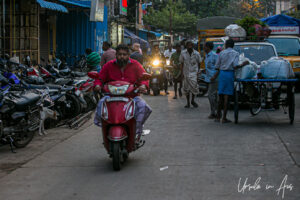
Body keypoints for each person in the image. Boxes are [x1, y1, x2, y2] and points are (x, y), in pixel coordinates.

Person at [93, 44, 152, 141]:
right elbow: (100, 77)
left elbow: (143, 77)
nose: (122, 57)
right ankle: (106, 128)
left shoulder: (135, 64)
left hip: (131, 96)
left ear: (128, 55)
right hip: (111, 96)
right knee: (100, 104)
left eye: (124, 54)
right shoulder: (109, 65)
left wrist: (143, 85)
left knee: (144, 107)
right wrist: (97, 85)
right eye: (120, 54)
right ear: (116, 55)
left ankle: (137, 130)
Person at [210, 39, 249, 123]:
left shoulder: (221, 53)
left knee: (220, 95)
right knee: (227, 97)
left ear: (226, 45)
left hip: (222, 74)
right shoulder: (235, 53)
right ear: (233, 45)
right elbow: (235, 66)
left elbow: (217, 66)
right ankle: (224, 118)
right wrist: (243, 64)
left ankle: (218, 117)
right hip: (229, 74)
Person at [180, 40, 202, 108]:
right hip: (186, 73)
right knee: (186, 89)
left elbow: (199, 63)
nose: (190, 46)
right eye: (188, 45)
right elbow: (181, 63)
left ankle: (192, 100)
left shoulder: (197, 54)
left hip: (194, 73)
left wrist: (198, 72)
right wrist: (181, 73)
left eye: (191, 45)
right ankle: (188, 103)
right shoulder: (183, 53)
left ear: (192, 46)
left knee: (194, 88)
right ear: (186, 46)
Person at [204, 42, 219, 119]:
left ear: (208, 47)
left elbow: (218, 68)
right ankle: (215, 112)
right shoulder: (206, 56)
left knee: (211, 95)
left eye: (205, 46)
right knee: (213, 96)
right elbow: (209, 67)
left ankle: (215, 112)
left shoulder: (214, 56)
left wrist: (214, 76)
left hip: (214, 78)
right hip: (208, 78)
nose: (204, 48)